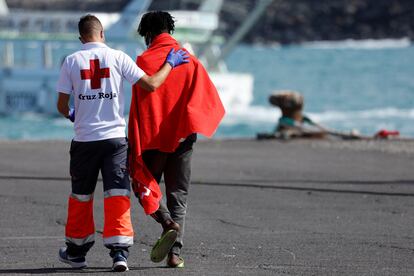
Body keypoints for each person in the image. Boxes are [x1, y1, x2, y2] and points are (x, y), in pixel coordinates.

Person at [56, 14, 189, 272]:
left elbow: (62, 105)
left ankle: (77, 253)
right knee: (117, 195)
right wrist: (170, 63)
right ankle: (119, 254)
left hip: (85, 141)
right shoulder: (118, 57)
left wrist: (73, 114)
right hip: (115, 141)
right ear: (102, 34)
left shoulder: (71, 61)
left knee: (81, 197)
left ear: (81, 38)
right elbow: (151, 85)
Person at [128, 11, 225, 268]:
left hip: (152, 139)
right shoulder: (190, 60)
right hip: (183, 137)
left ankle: (166, 222)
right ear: (169, 31)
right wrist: (186, 128)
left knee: (143, 185)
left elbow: (139, 104)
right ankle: (175, 254)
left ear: (148, 34)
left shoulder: (143, 60)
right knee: (178, 195)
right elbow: (207, 101)